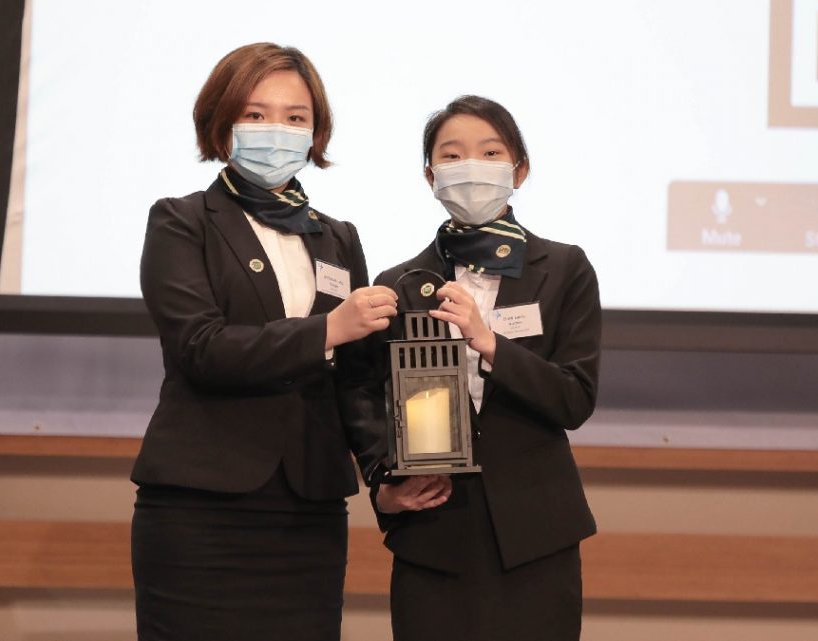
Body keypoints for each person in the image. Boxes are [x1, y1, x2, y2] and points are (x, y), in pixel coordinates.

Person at [130, 42, 396, 641]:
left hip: (309, 508)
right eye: (255, 114)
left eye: (295, 117)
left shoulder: (338, 238)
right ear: (220, 124)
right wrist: (327, 328)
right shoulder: (181, 220)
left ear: (316, 132)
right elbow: (201, 347)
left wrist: (385, 473)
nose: (276, 130)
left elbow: (354, 377)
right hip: (200, 507)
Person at [372, 95, 602, 641]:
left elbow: (574, 399)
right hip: (433, 533)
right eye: (451, 156)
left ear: (518, 168)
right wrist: (384, 485)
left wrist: (490, 342)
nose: (469, 167)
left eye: (489, 151)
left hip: (535, 535)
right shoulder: (401, 281)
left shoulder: (564, 268)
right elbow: (364, 398)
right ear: (430, 176)